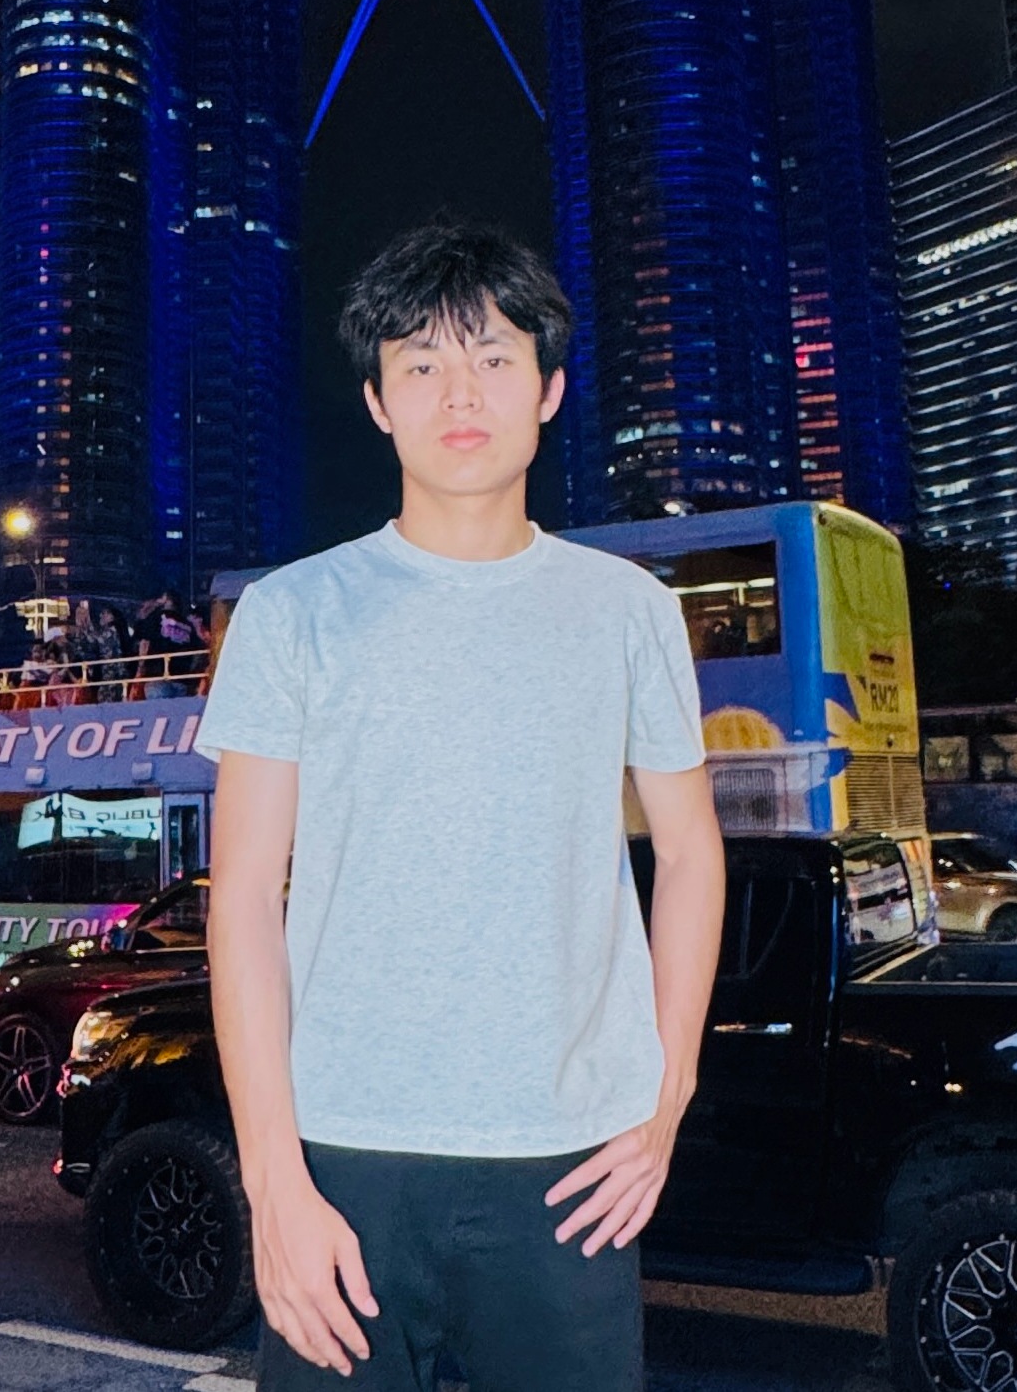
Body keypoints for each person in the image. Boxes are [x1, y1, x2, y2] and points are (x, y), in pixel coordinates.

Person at [197, 221, 726, 1392]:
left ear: (548, 389)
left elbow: (690, 854)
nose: (459, 393)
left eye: (491, 358)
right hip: (343, 1153)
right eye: (420, 363)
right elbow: (240, 899)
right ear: (377, 403)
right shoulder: (293, 613)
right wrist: (273, 1182)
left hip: (569, 1160)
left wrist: (666, 1095)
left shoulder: (628, 609)